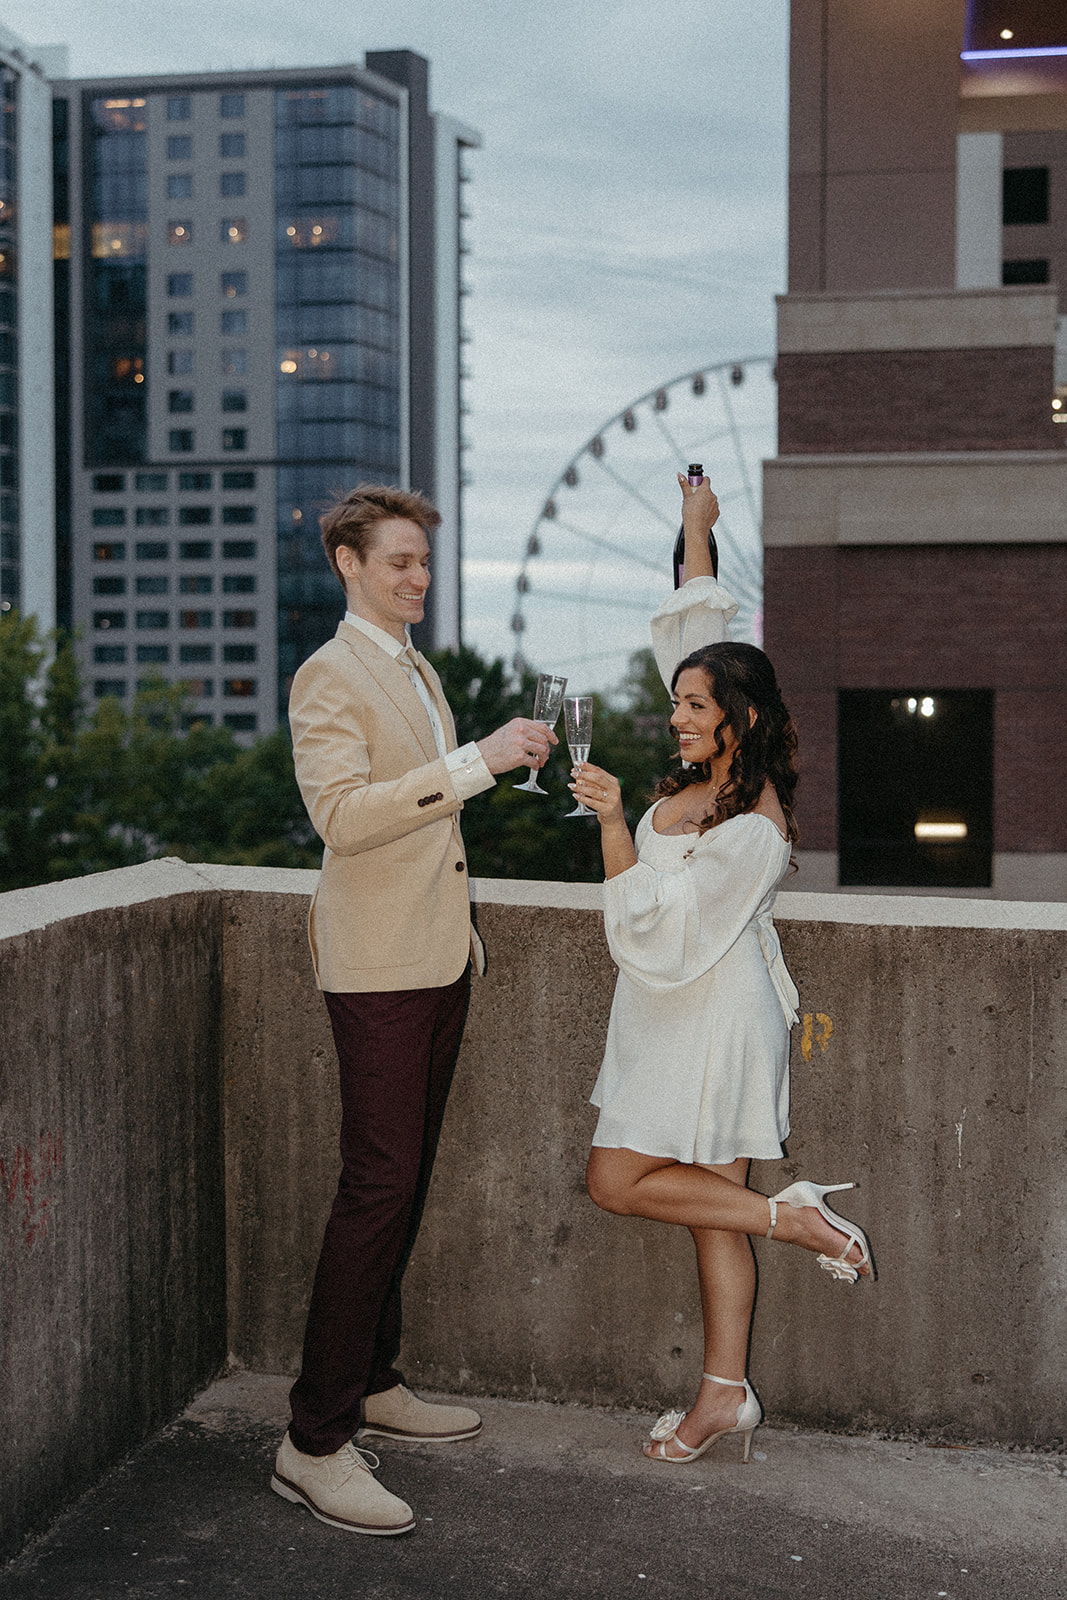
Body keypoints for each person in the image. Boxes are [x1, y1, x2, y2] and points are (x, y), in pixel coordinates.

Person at [570, 472, 873, 1465]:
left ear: (736, 717)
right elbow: (688, 632)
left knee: (614, 1179)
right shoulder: (710, 781)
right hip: (668, 1010)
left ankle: (791, 1219)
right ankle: (722, 1398)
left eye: (694, 706)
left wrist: (613, 822)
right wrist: (695, 528)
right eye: (677, 703)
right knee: (710, 1217)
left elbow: (651, 937)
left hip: (709, 1012)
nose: (674, 715)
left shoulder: (750, 828)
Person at [272, 484, 557, 1534]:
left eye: (423, 564)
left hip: (437, 959)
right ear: (347, 561)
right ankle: (311, 1440)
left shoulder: (416, 667)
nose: (415, 579)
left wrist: (485, 759)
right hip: (377, 967)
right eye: (396, 562)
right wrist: (476, 760)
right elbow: (340, 820)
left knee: (403, 1180)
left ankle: (373, 1381)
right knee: (375, 1187)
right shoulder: (326, 674)